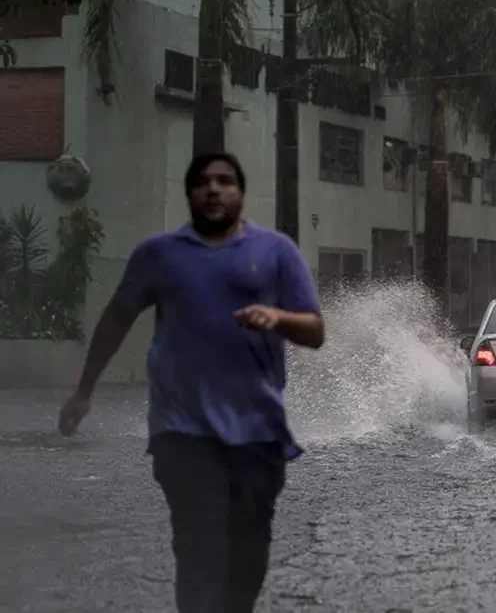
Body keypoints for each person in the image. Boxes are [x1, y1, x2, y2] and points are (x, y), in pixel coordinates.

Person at [56, 152, 325, 613]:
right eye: (202, 182)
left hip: (257, 430)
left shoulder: (277, 251)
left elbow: (315, 332)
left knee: (248, 553)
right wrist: (85, 390)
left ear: (241, 193)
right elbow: (116, 319)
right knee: (199, 546)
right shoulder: (157, 255)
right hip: (181, 429)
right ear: (190, 194)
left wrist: (277, 316)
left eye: (224, 181)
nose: (213, 189)